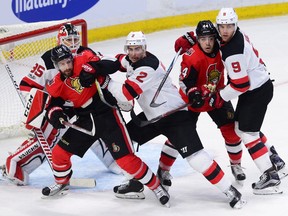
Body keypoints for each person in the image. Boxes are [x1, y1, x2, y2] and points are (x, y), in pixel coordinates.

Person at [98, 31, 246, 208]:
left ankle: (230, 191)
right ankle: (135, 182)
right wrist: (94, 60)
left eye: (138, 49)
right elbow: (118, 60)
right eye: (131, 49)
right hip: (153, 117)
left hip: (175, 116)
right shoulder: (131, 59)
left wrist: (104, 80)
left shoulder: (148, 66)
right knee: (124, 144)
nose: (134, 53)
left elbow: (125, 93)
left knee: (196, 158)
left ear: (145, 49)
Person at [41, 44, 170, 207]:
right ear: (56, 66)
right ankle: (61, 182)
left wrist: (93, 68)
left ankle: (156, 187)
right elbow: (52, 105)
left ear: (72, 58)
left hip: (107, 116)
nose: (66, 66)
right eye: (62, 64)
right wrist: (56, 114)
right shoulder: (57, 83)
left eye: (68, 61)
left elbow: (113, 63)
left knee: (125, 160)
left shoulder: (84, 58)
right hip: (84, 122)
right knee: (59, 154)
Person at [174, 9, 287, 191]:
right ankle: (273, 157)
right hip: (258, 87)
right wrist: (190, 37)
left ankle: (269, 174)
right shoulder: (235, 36)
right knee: (245, 128)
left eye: (229, 26)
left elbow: (240, 85)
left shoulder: (232, 51)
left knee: (246, 132)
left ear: (235, 25)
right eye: (222, 27)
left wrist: (218, 96)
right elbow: (208, 37)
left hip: (255, 92)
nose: (225, 31)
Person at [1, 23, 121, 186]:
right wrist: (38, 107)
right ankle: (15, 166)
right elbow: (27, 85)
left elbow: (109, 62)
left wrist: (95, 68)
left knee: (96, 128)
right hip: (59, 106)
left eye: (74, 39)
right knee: (49, 137)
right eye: (67, 40)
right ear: (59, 41)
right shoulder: (47, 60)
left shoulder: (86, 53)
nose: (72, 44)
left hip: (85, 104)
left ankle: (117, 159)